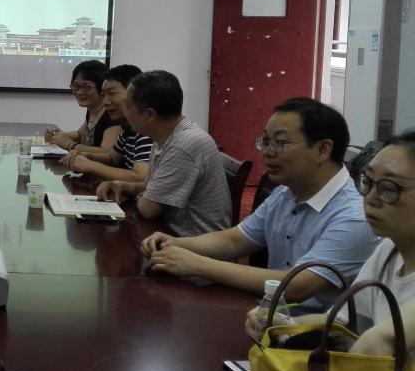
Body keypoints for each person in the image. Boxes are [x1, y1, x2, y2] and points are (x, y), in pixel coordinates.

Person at [142, 98, 379, 308]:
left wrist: (197, 265)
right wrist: (176, 243)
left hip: (312, 335)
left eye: (279, 143)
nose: (267, 152)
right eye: (265, 141)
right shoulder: (285, 193)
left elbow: (296, 287)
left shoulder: (354, 217)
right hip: (264, 316)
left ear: (322, 149)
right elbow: (234, 240)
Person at [246, 132, 415, 357]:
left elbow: (375, 343)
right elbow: (346, 325)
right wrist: (285, 326)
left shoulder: (353, 219)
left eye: (389, 188)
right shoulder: (388, 251)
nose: (370, 198)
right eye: (368, 182)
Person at [97, 70, 231, 236]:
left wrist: (143, 196)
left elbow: (149, 209)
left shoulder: (184, 145)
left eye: (128, 107)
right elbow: (150, 187)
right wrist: (124, 186)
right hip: (169, 233)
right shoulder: (165, 135)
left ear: (150, 115)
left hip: (192, 244)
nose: (125, 113)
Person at [61, 64, 151, 184]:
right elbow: (112, 158)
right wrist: (85, 155)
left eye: (112, 93)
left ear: (133, 94)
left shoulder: (146, 130)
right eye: (103, 94)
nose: (105, 101)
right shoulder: (127, 127)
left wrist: (91, 165)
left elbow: (140, 177)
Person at [44, 60, 120, 155]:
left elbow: (106, 152)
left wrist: (69, 145)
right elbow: (80, 135)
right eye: (76, 86)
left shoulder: (111, 114)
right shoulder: (93, 110)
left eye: (86, 87)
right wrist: (56, 136)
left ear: (102, 88)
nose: (79, 92)